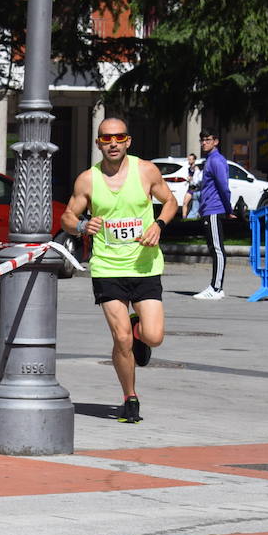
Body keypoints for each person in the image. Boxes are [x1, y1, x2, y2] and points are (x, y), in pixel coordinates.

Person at [61, 117, 177, 425]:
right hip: (107, 268)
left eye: (118, 137)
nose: (112, 143)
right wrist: (83, 225)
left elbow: (170, 201)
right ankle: (130, 397)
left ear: (128, 141)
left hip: (145, 264)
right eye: (105, 138)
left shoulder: (146, 171)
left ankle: (140, 327)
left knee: (153, 338)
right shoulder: (88, 179)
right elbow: (67, 217)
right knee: (122, 338)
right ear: (98, 143)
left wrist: (158, 225)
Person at [194, 129, 232, 299]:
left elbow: (224, 187)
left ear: (216, 141)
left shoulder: (216, 160)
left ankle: (216, 288)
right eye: (202, 140)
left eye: (208, 140)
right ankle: (216, 287)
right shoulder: (209, 160)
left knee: (217, 249)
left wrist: (228, 209)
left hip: (215, 209)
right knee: (213, 247)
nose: (204, 143)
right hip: (209, 210)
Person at [181, 153, 202, 220]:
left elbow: (197, 180)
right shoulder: (189, 168)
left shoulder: (196, 169)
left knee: (196, 205)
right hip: (190, 188)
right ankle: (184, 218)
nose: (189, 161)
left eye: (190, 159)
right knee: (185, 203)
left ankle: (196, 217)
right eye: (188, 159)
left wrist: (191, 179)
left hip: (196, 189)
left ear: (194, 160)